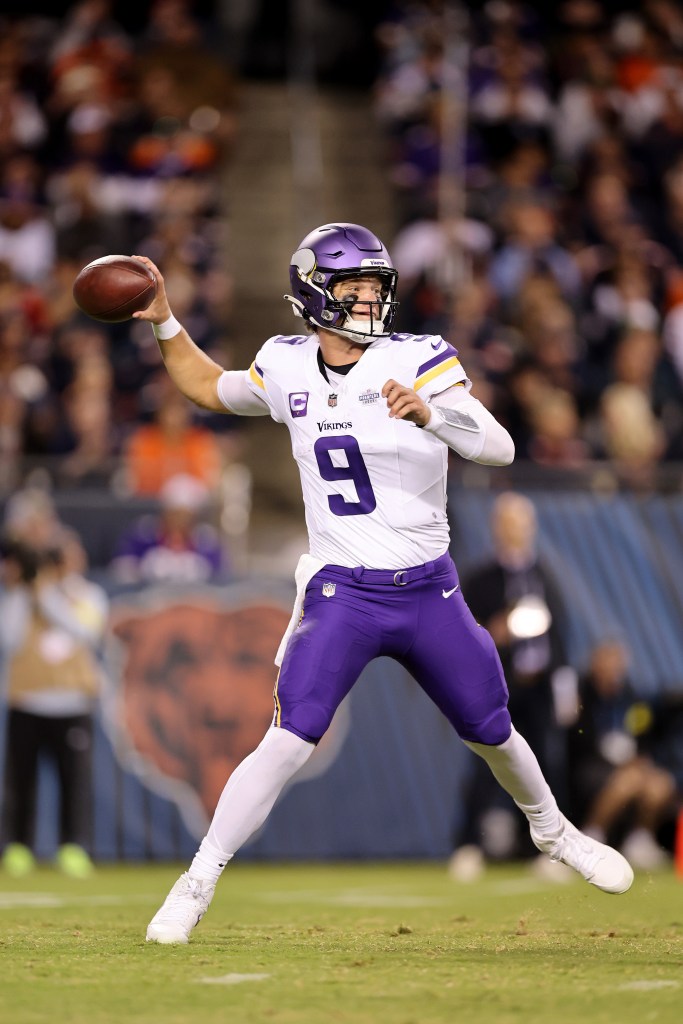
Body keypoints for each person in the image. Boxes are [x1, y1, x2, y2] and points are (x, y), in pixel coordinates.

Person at [130, 222, 632, 945]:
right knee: (288, 736)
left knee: (491, 729)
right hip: (344, 589)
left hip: (427, 588)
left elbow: (499, 445)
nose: (368, 301)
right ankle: (197, 881)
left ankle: (554, 833)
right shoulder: (287, 363)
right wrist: (166, 323)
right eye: (353, 288)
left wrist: (435, 414)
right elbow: (210, 386)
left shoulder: (420, 359)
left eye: (375, 288)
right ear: (314, 294)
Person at [449, 491, 576, 879]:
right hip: (498, 686)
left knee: (546, 765)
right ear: (496, 528)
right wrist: (495, 632)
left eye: (522, 522)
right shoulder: (482, 578)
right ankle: (469, 845)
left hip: (538, 686)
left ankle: (546, 849)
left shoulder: (544, 576)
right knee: (487, 764)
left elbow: (559, 635)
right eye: (508, 523)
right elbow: (460, 633)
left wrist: (563, 684)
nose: (516, 531)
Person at [0, 527, 108, 878]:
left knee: (73, 781)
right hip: (27, 700)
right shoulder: (19, 596)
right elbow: (10, 640)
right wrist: (24, 589)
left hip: (72, 703)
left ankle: (73, 846)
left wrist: (46, 593)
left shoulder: (89, 596)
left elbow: (84, 631)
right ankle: (18, 847)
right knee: (21, 780)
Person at [567, 638, 677, 871]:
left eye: (619, 663)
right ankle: (590, 837)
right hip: (591, 765)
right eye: (609, 661)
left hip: (629, 766)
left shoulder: (630, 697)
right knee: (628, 782)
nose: (615, 669)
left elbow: (641, 734)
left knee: (660, 784)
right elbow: (577, 737)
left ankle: (640, 839)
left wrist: (640, 759)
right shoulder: (581, 694)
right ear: (596, 663)